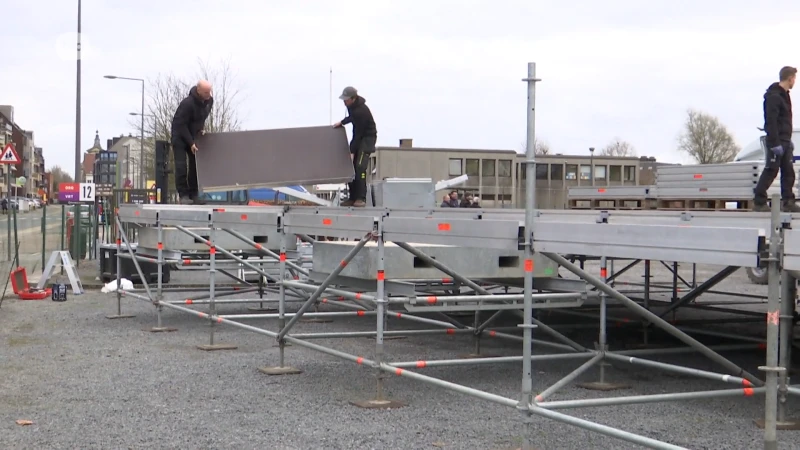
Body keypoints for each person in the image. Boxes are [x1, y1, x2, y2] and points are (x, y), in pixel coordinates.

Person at [754, 66, 798, 212]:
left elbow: (784, 120)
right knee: (771, 170)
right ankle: (759, 202)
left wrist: (787, 139)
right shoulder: (773, 97)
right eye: (794, 78)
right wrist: (775, 143)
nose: (795, 82)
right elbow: (770, 122)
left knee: (788, 172)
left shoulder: (785, 95)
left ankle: (788, 202)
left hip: (785, 140)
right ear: (790, 78)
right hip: (776, 141)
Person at [171, 80, 214, 205]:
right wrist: (190, 142)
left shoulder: (209, 101)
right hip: (180, 134)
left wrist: (200, 130)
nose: (208, 94)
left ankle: (194, 194)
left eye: (209, 91)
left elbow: (202, 117)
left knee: (195, 166)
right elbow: (181, 125)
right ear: (198, 90)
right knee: (181, 166)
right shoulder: (187, 103)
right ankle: (183, 195)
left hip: (193, 134)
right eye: (206, 92)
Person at [333, 86, 377, 207]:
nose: (344, 102)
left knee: (359, 167)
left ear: (353, 98)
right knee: (350, 168)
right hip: (359, 138)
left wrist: (352, 151)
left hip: (367, 139)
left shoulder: (361, 111)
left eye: (346, 100)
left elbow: (359, 134)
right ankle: (352, 197)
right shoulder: (352, 108)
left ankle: (361, 198)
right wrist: (342, 122)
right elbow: (352, 118)